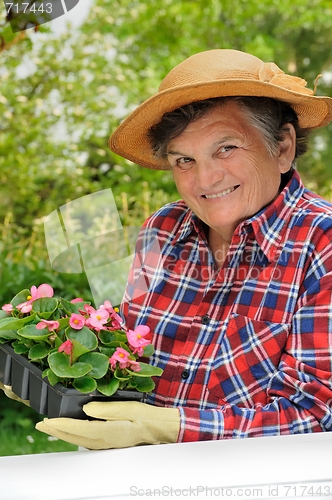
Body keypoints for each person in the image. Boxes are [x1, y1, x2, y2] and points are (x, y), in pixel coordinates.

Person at [35, 49, 332, 447]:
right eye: (184, 160)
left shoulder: (322, 243)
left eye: (226, 148)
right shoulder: (163, 228)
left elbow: (315, 415)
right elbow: (128, 360)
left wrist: (167, 428)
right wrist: (57, 374)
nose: (205, 178)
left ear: (282, 147)